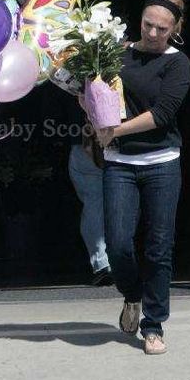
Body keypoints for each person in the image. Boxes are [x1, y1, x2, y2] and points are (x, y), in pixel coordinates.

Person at [96, 0, 190, 355]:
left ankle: (154, 325)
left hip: (161, 164)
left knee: (158, 248)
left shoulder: (178, 63)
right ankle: (132, 294)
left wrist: (113, 131)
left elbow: (163, 115)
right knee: (118, 244)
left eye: (162, 29)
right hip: (120, 164)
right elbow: (98, 95)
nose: (153, 34)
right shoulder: (115, 54)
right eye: (148, 25)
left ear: (175, 29)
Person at [67, 98, 113, 286]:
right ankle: (111, 260)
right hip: (112, 139)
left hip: (87, 142)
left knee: (94, 202)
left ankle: (103, 262)